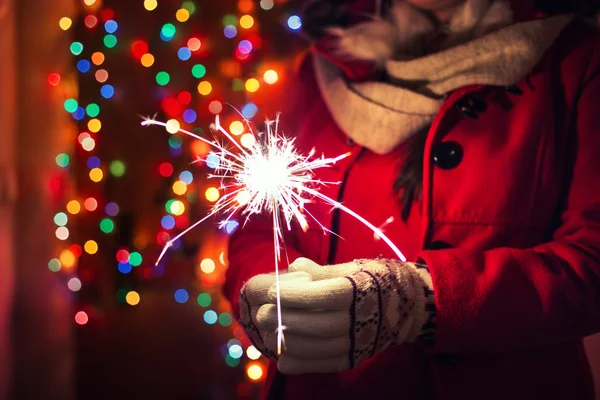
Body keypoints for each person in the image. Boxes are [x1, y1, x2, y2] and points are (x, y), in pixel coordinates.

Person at [223, 0, 600, 398]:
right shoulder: (320, 70)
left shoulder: (576, 59)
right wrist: (267, 295)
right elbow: (258, 229)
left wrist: (420, 301)